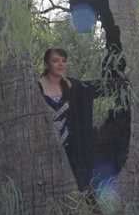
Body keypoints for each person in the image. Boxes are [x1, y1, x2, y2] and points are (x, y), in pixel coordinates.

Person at [37, 47, 128, 191]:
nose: (61, 64)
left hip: (71, 150)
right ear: (47, 64)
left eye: (64, 61)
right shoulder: (36, 89)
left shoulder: (72, 86)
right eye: (55, 61)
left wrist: (124, 84)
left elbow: (95, 87)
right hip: (44, 151)